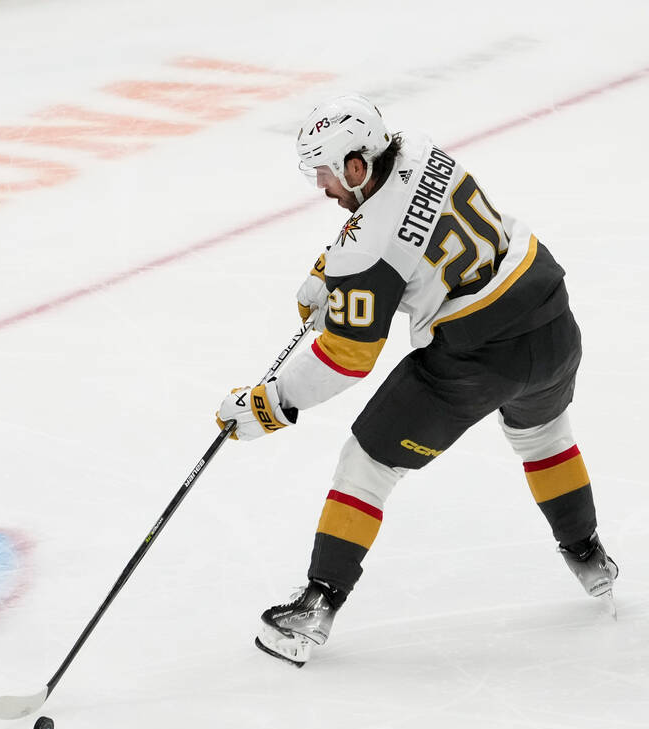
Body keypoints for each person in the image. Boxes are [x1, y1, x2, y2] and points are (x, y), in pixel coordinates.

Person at [215, 94, 615, 667]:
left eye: (326, 173)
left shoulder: (366, 248)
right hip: (551, 320)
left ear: (356, 166)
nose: (323, 188)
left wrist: (272, 402)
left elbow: (347, 357)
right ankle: (589, 555)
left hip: (479, 357)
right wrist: (333, 271)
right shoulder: (420, 146)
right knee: (544, 436)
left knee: (367, 462)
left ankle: (317, 606)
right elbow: (398, 225)